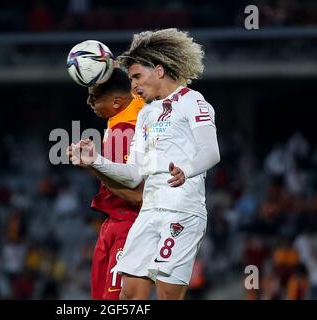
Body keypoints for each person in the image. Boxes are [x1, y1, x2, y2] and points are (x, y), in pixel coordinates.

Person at [70, 28, 220, 300]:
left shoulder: (193, 101)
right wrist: (96, 161)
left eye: (137, 77)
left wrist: (187, 169)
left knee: (166, 294)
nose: (134, 85)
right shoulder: (147, 115)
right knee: (129, 294)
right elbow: (131, 175)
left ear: (159, 71)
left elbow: (211, 152)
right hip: (149, 211)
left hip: (181, 209)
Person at [67, 68, 144, 299]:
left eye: (94, 96)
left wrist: (92, 164)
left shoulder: (125, 130)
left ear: (117, 101)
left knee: (115, 301)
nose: (89, 101)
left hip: (127, 224)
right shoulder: (121, 118)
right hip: (113, 223)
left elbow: (137, 196)